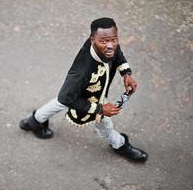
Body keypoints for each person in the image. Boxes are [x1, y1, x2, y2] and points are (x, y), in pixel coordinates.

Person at [19, 17, 148, 163]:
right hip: (90, 99)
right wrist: (100, 109)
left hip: (85, 90)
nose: (111, 45)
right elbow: (65, 98)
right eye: (104, 41)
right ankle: (119, 144)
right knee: (104, 123)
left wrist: (126, 73)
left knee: (61, 102)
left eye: (114, 39)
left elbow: (117, 52)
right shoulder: (81, 72)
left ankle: (33, 121)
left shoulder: (106, 45)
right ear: (92, 40)